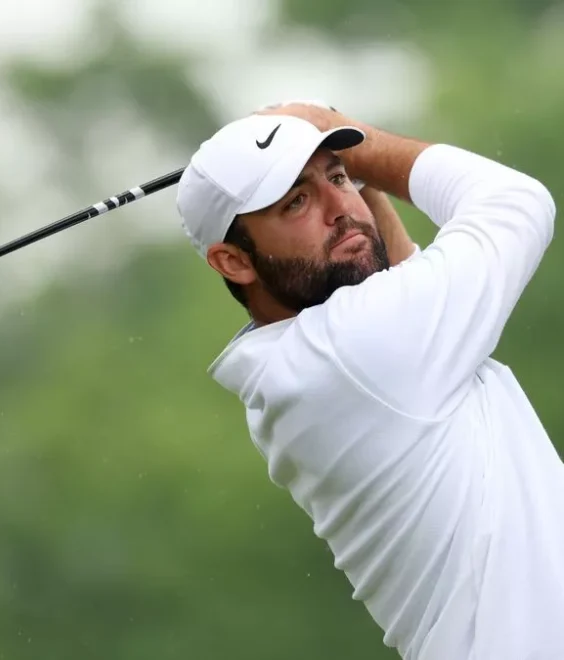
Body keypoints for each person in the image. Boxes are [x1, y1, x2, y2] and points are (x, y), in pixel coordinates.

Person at [176, 100, 564, 660]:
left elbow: (399, 277)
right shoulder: (356, 348)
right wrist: (365, 149)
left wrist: (355, 189)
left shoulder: (309, 360)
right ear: (234, 261)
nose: (340, 207)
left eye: (339, 177)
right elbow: (519, 202)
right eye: (297, 202)